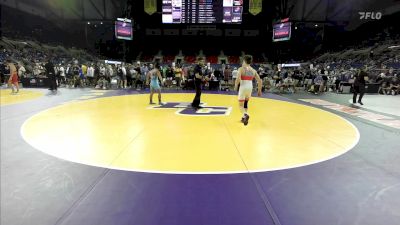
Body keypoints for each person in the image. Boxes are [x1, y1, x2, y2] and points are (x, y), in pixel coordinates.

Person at [234, 55, 262, 126]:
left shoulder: (241, 69)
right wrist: (259, 90)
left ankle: (246, 114)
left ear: (244, 61)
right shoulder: (253, 70)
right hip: (250, 87)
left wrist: (236, 86)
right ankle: (244, 117)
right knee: (246, 103)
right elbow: (259, 81)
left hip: (243, 87)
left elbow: (238, 79)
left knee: (240, 105)